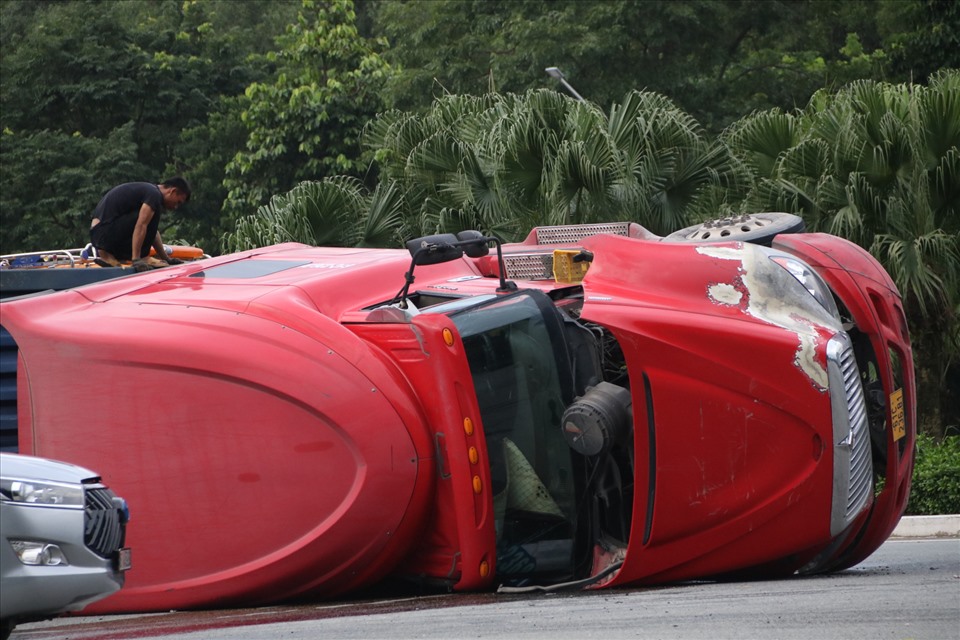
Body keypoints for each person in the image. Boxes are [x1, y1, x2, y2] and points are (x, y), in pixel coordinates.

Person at [89, 177, 191, 271]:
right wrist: (136, 259)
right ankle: (140, 258)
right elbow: (141, 225)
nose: (175, 207)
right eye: (178, 202)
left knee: (149, 217)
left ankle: (112, 257)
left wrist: (167, 259)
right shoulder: (154, 195)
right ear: (173, 191)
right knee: (147, 218)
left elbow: (153, 232)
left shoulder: (150, 192)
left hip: (100, 236)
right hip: (104, 234)